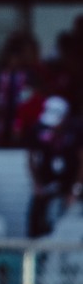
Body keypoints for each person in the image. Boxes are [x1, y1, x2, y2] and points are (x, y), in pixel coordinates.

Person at [27, 95, 81, 236]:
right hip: (48, 182)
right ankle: (31, 254)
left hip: (71, 183)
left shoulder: (76, 131)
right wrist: (37, 183)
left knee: (73, 219)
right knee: (36, 214)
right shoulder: (39, 129)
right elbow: (31, 157)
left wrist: (75, 190)